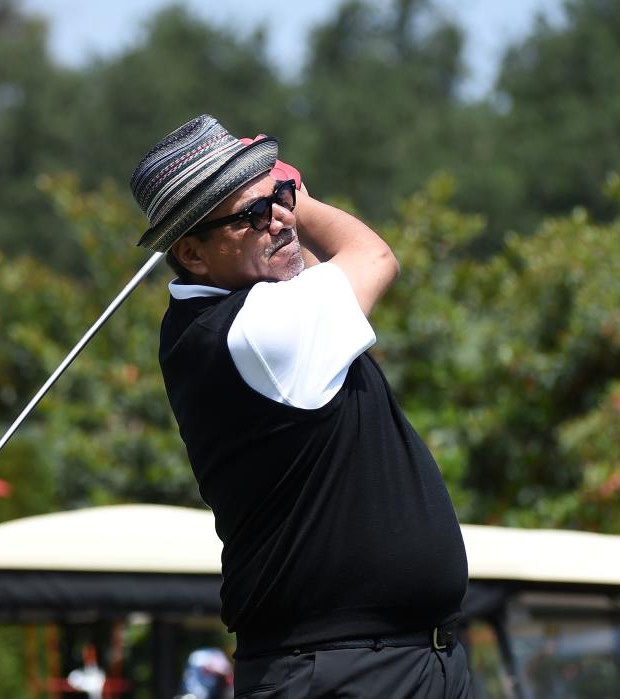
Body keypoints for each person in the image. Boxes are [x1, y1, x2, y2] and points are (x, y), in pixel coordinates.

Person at [131, 114, 472, 698]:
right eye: (252, 214)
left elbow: (306, 268)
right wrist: (305, 201)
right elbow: (374, 257)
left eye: (280, 197)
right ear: (192, 253)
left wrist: (269, 200)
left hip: (396, 661)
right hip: (344, 672)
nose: (279, 219)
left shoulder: (235, 314)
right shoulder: (256, 331)